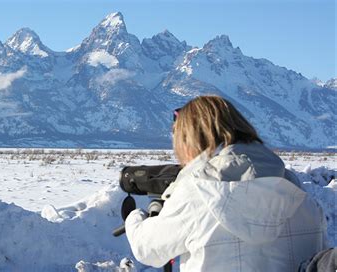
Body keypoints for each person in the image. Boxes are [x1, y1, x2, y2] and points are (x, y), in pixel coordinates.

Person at [125, 95, 329, 271]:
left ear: (191, 140)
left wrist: (135, 217)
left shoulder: (199, 192)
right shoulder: (299, 195)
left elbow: (148, 249)